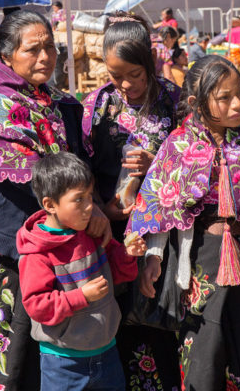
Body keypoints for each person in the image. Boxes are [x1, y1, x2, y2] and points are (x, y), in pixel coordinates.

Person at [0, 11, 111, 391]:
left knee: (43, 351)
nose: (45, 57)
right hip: (1, 250)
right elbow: (40, 175)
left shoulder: (55, 100)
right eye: (33, 49)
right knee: (2, 355)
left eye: (50, 47)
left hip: (49, 240)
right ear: (6, 55)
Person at [131, 55, 240, 390]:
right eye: (224, 98)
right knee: (203, 348)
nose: (237, 103)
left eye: (239, 93)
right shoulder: (178, 145)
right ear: (197, 102)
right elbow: (162, 205)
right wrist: (154, 257)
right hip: (201, 259)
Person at [81, 13, 181, 389]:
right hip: (112, 231)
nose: (124, 85)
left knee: (161, 317)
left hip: (163, 234)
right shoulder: (97, 105)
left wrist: (158, 160)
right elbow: (82, 167)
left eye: (134, 74)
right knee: (118, 318)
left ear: (150, 63)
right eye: (114, 75)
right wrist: (99, 209)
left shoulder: (173, 100)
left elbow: (198, 161)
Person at [17, 152, 146, 391]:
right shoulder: (37, 253)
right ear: (50, 205)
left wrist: (128, 254)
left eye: (90, 196)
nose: (90, 207)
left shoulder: (91, 233)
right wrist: (81, 296)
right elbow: (37, 305)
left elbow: (119, 274)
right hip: (63, 363)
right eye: (79, 200)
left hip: (106, 353)